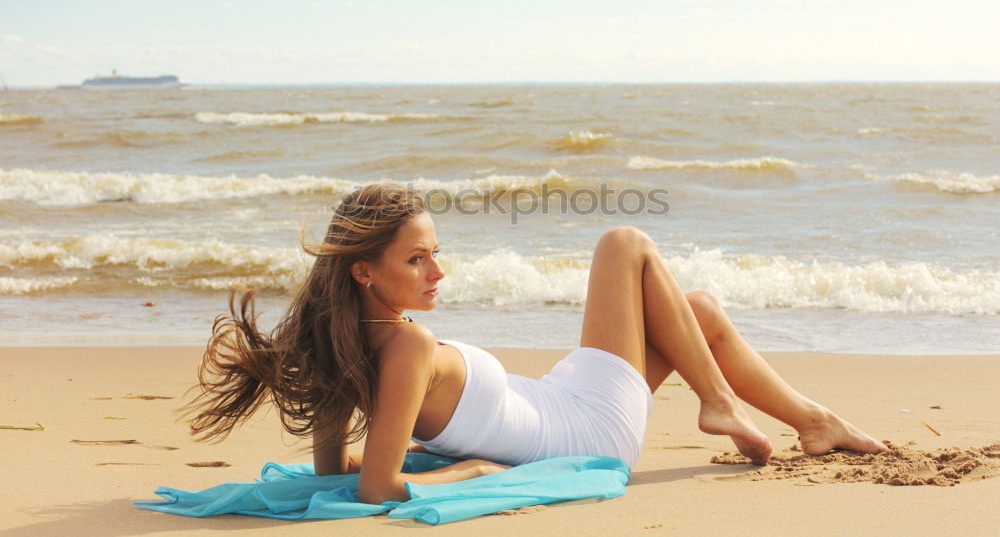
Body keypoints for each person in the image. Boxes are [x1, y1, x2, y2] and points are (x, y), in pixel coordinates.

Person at [186, 183, 886, 505]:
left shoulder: (343, 345)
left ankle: (815, 423)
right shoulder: (407, 346)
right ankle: (719, 401)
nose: (439, 272)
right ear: (364, 272)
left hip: (561, 401)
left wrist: (415, 446)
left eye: (436, 253)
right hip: (589, 430)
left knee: (693, 309)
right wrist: (478, 468)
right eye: (418, 261)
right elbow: (373, 488)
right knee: (626, 241)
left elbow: (334, 464)